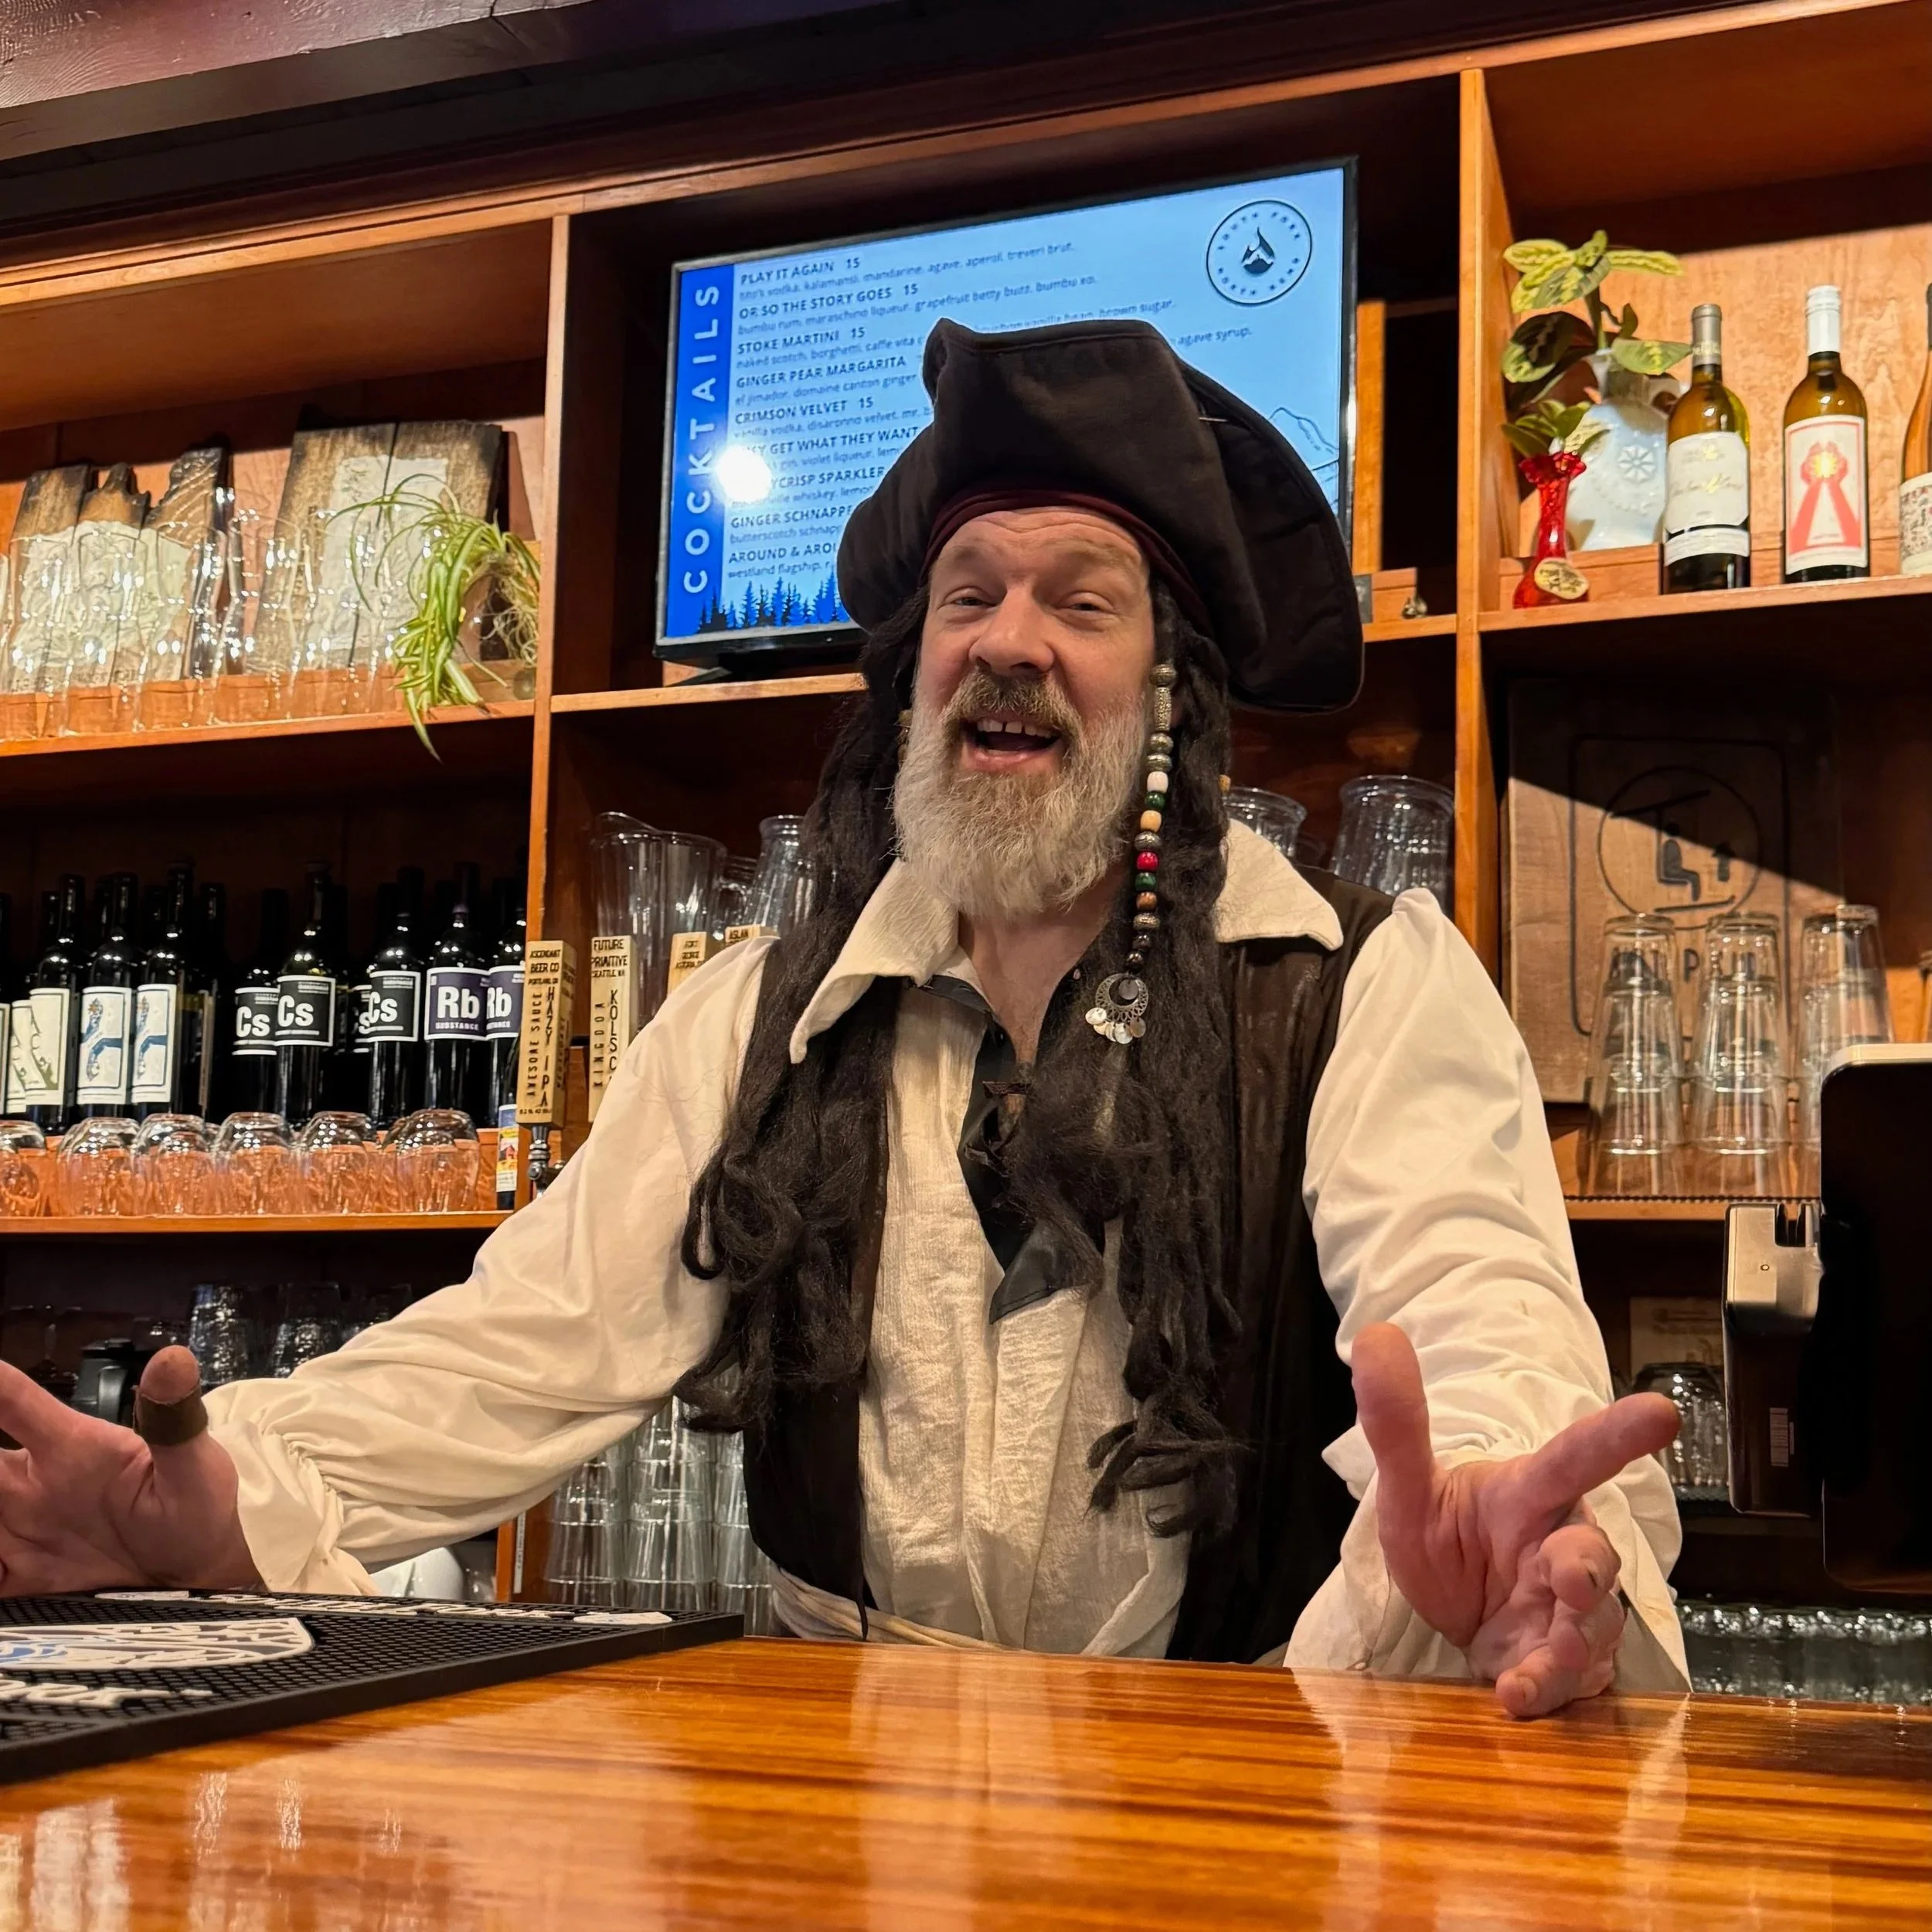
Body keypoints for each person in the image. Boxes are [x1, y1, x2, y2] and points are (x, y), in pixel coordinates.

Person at [0, 320, 1684, 1718]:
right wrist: (233, 1484)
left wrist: (1502, 1522)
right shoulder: (759, 1014)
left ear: (1171, 697)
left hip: (1238, 1798)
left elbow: (1477, 1314)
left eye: (1080, 600)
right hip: (824, 1803)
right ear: (909, 677)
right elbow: (517, 1344)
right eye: (966, 597)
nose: (1005, 642)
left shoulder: (1356, 984)